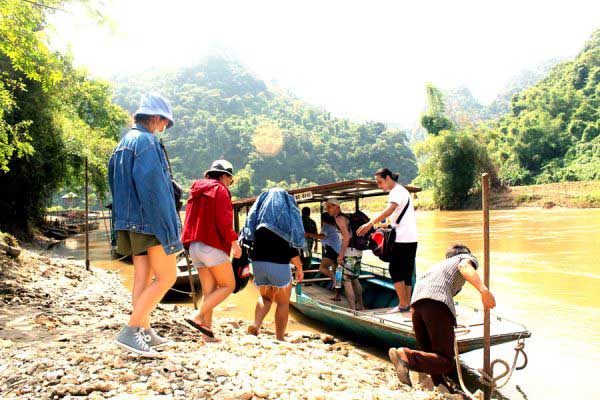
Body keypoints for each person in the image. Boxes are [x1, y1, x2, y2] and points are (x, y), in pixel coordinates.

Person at [108, 93, 181, 357]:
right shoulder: (147, 142)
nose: (164, 128)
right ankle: (130, 330)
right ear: (157, 118)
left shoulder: (123, 143)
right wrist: (170, 229)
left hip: (128, 220)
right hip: (150, 221)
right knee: (167, 277)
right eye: (164, 123)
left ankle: (144, 330)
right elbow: (156, 190)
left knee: (143, 276)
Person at [388, 244, 496, 388]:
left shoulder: (438, 267)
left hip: (416, 305)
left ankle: (440, 383)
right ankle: (406, 356)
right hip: (436, 303)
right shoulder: (464, 258)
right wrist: (484, 291)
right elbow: (465, 267)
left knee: (431, 354)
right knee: (446, 361)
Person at [181, 160, 242, 342]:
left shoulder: (195, 191)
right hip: (211, 245)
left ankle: (206, 335)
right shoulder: (220, 190)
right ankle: (197, 316)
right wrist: (234, 243)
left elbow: (189, 220)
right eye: (230, 179)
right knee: (228, 285)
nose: (229, 183)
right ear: (224, 176)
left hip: (194, 246)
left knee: (210, 292)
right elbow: (224, 221)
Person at [242, 188, 305, 341]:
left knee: (265, 297)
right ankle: (280, 337)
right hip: (279, 265)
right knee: (283, 302)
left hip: (258, 264)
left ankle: (256, 324)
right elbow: (292, 252)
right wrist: (300, 268)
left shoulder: (257, 222)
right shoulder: (285, 221)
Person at [357, 168, 417, 313]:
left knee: (395, 270)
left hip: (402, 238)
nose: (379, 185)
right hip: (412, 237)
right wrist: (385, 224)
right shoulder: (403, 191)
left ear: (388, 178)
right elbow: (396, 216)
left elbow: (390, 210)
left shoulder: (396, 192)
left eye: (380, 182)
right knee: (406, 271)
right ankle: (407, 304)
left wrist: (370, 223)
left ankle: (403, 305)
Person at [323, 198, 365, 310]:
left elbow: (347, 237)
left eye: (329, 207)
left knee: (347, 280)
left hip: (349, 252)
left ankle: (352, 309)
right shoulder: (347, 217)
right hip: (357, 251)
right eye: (326, 207)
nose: (328, 209)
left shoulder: (339, 218)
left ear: (337, 207)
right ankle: (361, 306)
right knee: (355, 279)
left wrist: (341, 254)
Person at [308, 212, 342, 299]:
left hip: (331, 250)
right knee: (337, 273)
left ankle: (334, 280)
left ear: (323, 220)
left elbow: (322, 236)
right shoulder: (336, 227)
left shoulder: (326, 226)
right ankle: (337, 295)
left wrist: (308, 234)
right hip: (340, 251)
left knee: (322, 268)